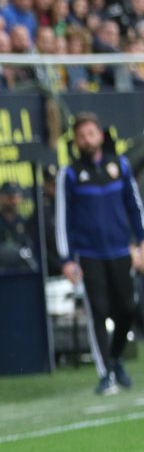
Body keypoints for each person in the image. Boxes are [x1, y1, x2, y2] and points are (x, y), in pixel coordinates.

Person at [57, 113, 144, 395]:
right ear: (76, 141)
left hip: (120, 249)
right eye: (81, 135)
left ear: (100, 135)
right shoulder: (69, 174)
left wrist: (141, 240)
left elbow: (134, 205)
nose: (87, 139)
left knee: (128, 308)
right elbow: (63, 219)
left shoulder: (120, 166)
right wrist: (67, 258)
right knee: (99, 311)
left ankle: (116, 357)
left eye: (91, 133)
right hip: (89, 253)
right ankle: (105, 372)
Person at [0, 182, 35, 270]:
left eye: (15, 197)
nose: (13, 201)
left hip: (24, 269)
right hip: (0, 270)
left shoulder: (24, 222)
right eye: (10, 197)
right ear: (0, 197)